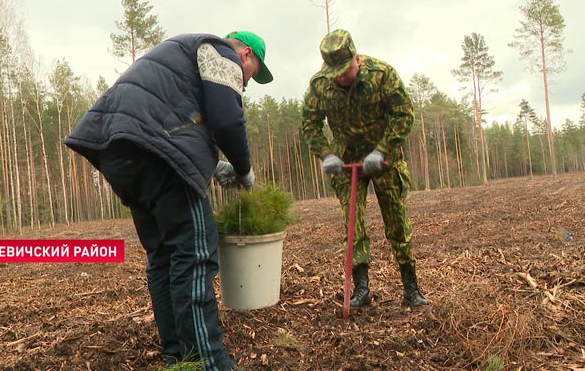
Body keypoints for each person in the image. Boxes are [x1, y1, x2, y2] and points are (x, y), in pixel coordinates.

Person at [65, 30, 273, 370]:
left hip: (119, 150)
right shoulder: (221, 53)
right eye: (252, 75)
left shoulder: (183, 57)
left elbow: (170, 117)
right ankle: (208, 363)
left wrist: (213, 164)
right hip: (155, 153)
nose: (246, 84)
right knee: (195, 252)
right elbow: (226, 121)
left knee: (163, 256)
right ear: (247, 55)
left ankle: (180, 358)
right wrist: (243, 169)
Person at [301, 29, 428, 310]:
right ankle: (361, 289)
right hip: (347, 164)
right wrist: (326, 154)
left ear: (357, 59)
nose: (341, 78)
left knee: (397, 221)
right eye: (336, 73)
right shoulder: (320, 85)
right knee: (352, 225)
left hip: (385, 161)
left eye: (345, 71)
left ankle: (411, 287)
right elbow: (310, 124)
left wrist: (382, 149)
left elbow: (403, 114)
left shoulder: (382, 74)